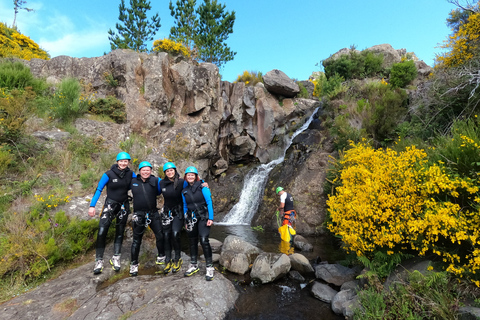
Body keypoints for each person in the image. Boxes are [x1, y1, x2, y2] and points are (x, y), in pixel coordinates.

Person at [88, 151, 135, 274]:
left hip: (123, 205)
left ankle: (116, 257)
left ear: (128, 162)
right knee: (102, 230)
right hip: (110, 205)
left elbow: (141, 183)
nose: (123, 163)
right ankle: (99, 260)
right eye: (121, 161)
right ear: (117, 162)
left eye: (126, 161)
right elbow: (99, 189)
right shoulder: (108, 174)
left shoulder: (131, 174)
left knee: (120, 232)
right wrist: (92, 205)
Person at [129, 161, 165, 276]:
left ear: (151, 171)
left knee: (160, 235)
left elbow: (170, 183)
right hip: (139, 214)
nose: (145, 172)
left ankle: (161, 256)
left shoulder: (155, 180)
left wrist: (202, 182)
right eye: (143, 170)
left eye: (148, 170)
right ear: (140, 171)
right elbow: (119, 186)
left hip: (153, 213)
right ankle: (134, 264)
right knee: (136, 240)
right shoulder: (133, 181)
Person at [181, 166, 215, 281]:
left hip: (203, 217)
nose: (190, 176)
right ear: (186, 177)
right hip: (191, 217)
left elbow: (209, 202)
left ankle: (209, 266)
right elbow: (185, 206)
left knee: (204, 239)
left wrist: (211, 217)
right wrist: (186, 220)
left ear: (196, 176)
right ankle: (193, 264)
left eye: (192, 175)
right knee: (192, 240)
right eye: (188, 175)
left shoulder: (203, 187)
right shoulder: (184, 191)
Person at [159, 162, 185, 274]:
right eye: (167, 171)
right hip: (167, 212)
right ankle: (168, 259)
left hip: (178, 212)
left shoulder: (181, 182)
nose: (170, 172)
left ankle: (177, 258)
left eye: (171, 170)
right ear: (165, 173)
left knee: (175, 233)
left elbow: (194, 183)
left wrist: (203, 183)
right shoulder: (162, 183)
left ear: (175, 170)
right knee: (166, 235)